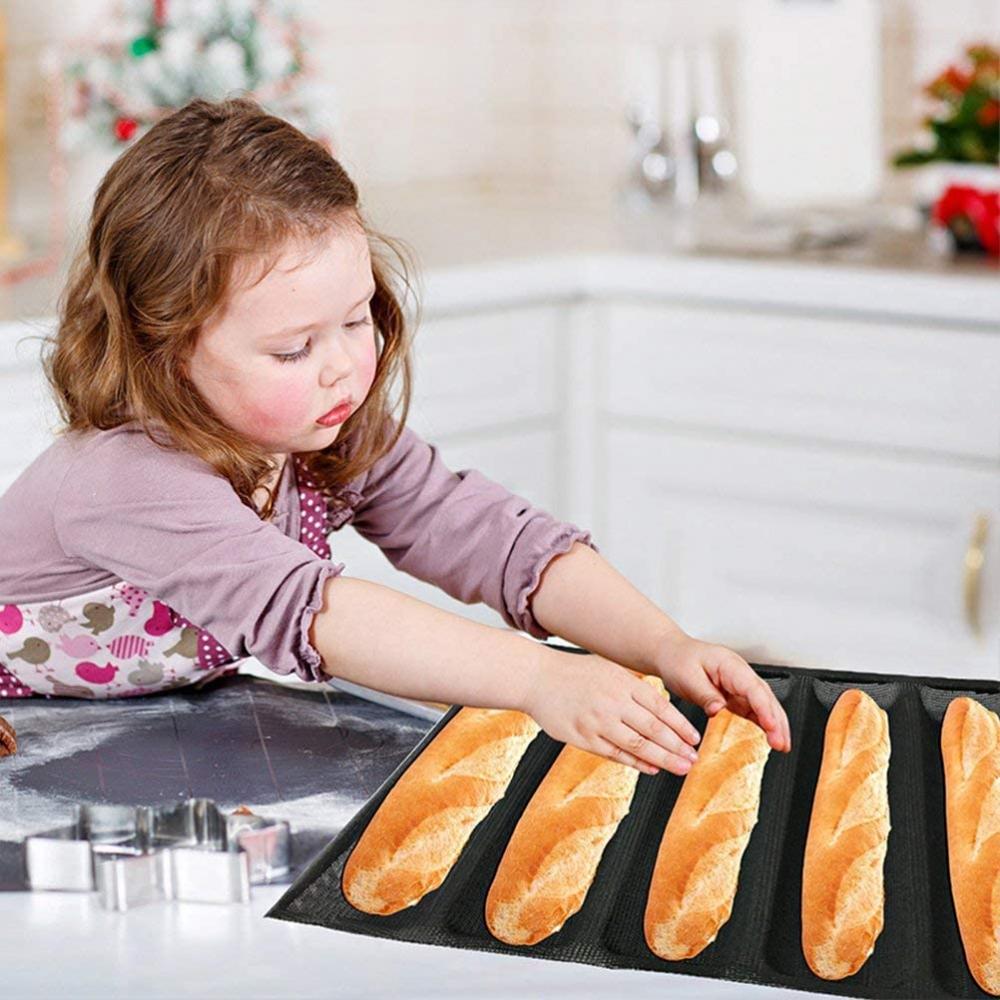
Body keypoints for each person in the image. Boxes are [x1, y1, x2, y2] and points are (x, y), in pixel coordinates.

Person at [0, 96, 791, 778]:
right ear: (165, 350)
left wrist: (664, 645)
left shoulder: (323, 430)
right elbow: (312, 613)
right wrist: (541, 679)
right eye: (292, 349)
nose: (344, 366)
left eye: (355, 320)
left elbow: (487, 538)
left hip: (136, 723)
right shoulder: (123, 477)